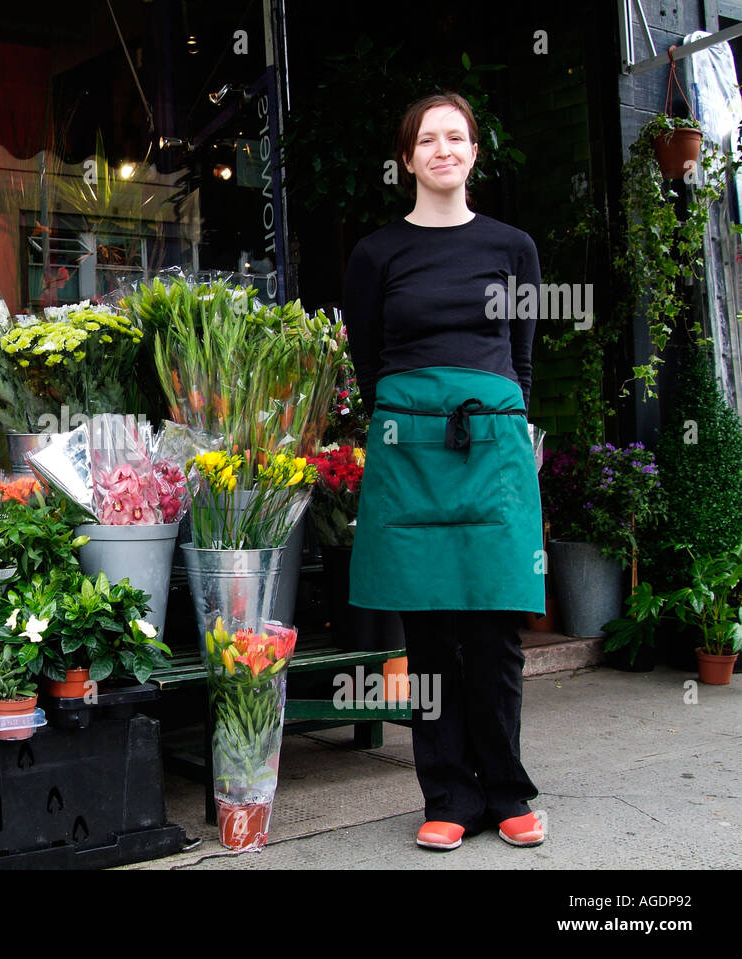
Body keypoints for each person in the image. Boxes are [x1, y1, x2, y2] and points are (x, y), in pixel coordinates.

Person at [342, 92, 547, 852]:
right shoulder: (375, 255)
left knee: (494, 627)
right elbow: (370, 362)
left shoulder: (513, 247)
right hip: (412, 450)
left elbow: (522, 357)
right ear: (407, 160)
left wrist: (510, 426)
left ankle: (507, 790)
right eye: (427, 139)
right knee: (428, 632)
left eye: (455, 136)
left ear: (473, 152)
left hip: (491, 450)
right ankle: (449, 795)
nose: (442, 149)